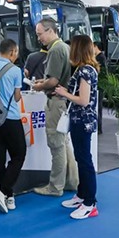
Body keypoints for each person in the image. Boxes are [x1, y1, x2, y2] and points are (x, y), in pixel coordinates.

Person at [54, 35, 99, 219]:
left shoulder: (85, 71)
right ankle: (82, 195)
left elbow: (83, 100)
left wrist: (64, 93)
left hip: (82, 121)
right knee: (81, 158)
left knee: (85, 160)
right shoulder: (85, 69)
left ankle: (90, 202)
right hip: (79, 120)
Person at [32, 18, 78, 197]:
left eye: (40, 34)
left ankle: (55, 187)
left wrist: (40, 86)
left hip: (56, 102)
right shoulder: (65, 48)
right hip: (62, 102)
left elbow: (53, 81)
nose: (39, 38)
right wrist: (46, 82)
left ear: (50, 31)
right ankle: (71, 181)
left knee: (56, 145)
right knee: (64, 143)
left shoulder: (55, 49)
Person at [0, 39, 26, 214]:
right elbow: (17, 97)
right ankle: (3, 190)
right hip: (10, 117)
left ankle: (7, 195)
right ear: (13, 52)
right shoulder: (16, 70)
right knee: (19, 153)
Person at [93, 42, 106, 134]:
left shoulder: (100, 58)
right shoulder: (99, 57)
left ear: (95, 47)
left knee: (98, 106)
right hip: (99, 85)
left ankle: (99, 127)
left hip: (100, 85)